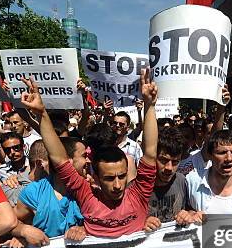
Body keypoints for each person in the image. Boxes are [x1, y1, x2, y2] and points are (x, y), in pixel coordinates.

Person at [20, 70, 158, 238]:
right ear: (96, 178)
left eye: (121, 176)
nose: (117, 185)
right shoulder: (87, 195)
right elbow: (60, 159)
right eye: (109, 178)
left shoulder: (138, 195)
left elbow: (150, 153)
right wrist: (41, 113)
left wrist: (149, 105)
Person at [13, 137, 88, 244]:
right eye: (84, 156)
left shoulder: (92, 189)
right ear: (67, 161)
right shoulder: (34, 192)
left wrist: (84, 229)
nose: (88, 161)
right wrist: (23, 231)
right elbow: (9, 222)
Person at [185, 129, 232, 218]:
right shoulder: (192, 181)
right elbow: (183, 212)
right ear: (210, 155)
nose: (229, 158)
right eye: (222, 152)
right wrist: (190, 214)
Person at [143, 127, 190, 232]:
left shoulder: (181, 181)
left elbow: (190, 211)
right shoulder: (139, 186)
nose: (169, 167)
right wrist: (142, 222)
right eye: (163, 160)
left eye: (175, 162)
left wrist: (188, 215)